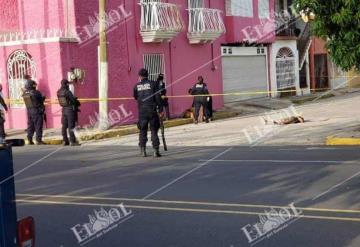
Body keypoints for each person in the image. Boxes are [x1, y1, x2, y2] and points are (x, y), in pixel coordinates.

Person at [134, 68, 164, 157]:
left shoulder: (136, 86)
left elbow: (136, 97)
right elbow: (158, 98)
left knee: (142, 130)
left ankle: (143, 150)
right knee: (154, 130)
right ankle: (156, 151)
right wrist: (161, 110)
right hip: (152, 110)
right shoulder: (153, 84)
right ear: (148, 75)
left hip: (142, 111)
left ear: (139, 76)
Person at [57, 79, 81, 146]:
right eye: (68, 84)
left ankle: (65, 141)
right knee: (71, 126)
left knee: (64, 126)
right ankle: (72, 141)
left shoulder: (58, 92)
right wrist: (77, 101)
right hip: (70, 110)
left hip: (64, 110)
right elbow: (73, 100)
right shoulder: (67, 92)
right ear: (66, 84)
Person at [22, 80, 45, 145]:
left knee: (30, 126)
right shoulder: (36, 92)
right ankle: (38, 140)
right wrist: (43, 98)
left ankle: (29, 140)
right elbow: (40, 100)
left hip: (29, 111)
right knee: (38, 126)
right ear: (32, 85)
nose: (35, 86)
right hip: (36, 111)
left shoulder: (25, 93)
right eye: (34, 85)